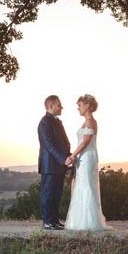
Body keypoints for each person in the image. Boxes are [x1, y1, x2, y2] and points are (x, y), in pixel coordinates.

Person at [63, 94, 111, 232]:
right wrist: (76, 157)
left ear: (87, 105)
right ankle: (79, 221)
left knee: (87, 185)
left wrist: (72, 156)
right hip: (82, 157)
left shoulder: (91, 122)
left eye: (79, 105)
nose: (78, 108)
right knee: (80, 185)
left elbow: (85, 142)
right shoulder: (85, 122)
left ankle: (88, 222)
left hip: (88, 157)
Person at [37, 95, 71, 230]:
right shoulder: (44, 122)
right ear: (51, 106)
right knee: (48, 193)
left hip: (60, 164)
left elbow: (65, 142)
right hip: (49, 165)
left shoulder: (58, 122)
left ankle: (55, 221)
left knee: (57, 194)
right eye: (59, 105)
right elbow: (50, 145)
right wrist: (63, 159)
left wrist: (69, 156)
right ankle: (47, 222)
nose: (61, 107)